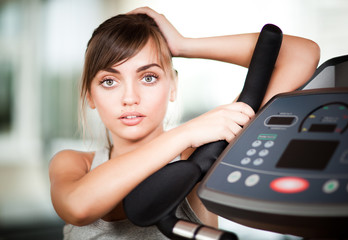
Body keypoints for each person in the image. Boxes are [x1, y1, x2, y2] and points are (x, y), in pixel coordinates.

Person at [49, 7, 320, 240]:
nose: (129, 98)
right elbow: (78, 207)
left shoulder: (201, 157)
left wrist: (183, 45)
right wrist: (186, 132)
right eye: (109, 81)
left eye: (149, 77)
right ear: (90, 96)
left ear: (173, 87)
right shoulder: (74, 164)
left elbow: (301, 54)